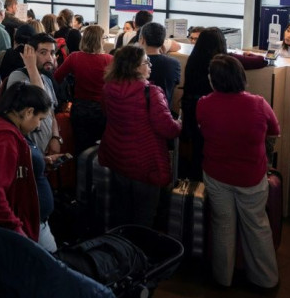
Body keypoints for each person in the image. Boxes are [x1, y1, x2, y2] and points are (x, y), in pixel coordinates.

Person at [197, 55, 280, 289]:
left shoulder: (204, 103)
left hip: (216, 173)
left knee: (222, 225)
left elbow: (203, 131)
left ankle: (223, 278)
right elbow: (274, 131)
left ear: (213, 80)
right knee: (256, 224)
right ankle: (266, 279)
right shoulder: (258, 103)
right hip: (251, 176)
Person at [99, 45, 181, 227]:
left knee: (120, 212)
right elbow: (167, 128)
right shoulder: (151, 93)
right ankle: (139, 253)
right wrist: (179, 124)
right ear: (135, 67)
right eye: (146, 62)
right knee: (144, 217)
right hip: (145, 163)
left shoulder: (108, 88)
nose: (150, 65)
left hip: (117, 157)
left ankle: (119, 250)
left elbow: (107, 114)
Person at [0, 82, 60, 252]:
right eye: (40, 119)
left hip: (28, 223)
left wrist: (39, 162)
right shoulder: (4, 139)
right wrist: (16, 229)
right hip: (22, 228)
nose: (39, 126)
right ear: (28, 112)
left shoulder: (9, 129)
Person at [182, 27, 265, 179]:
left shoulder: (193, 59)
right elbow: (262, 61)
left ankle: (196, 188)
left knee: (198, 150)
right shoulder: (224, 61)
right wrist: (250, 54)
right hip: (216, 113)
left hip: (192, 111)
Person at [53, 25, 113, 155]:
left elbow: (56, 78)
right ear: (100, 40)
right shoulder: (110, 60)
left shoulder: (74, 57)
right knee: (102, 147)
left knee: (80, 147)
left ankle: (80, 173)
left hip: (80, 108)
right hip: (103, 109)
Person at [6, 33, 61, 154]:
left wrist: (55, 137)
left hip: (46, 148)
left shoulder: (46, 79)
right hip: (28, 151)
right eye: (43, 52)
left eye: (52, 53)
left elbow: (50, 111)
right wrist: (30, 66)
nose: (49, 58)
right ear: (30, 54)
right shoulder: (18, 77)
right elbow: (41, 101)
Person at [139, 22, 181, 109]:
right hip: (164, 110)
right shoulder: (174, 63)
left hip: (139, 112)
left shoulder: (133, 63)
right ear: (163, 41)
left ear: (142, 39)